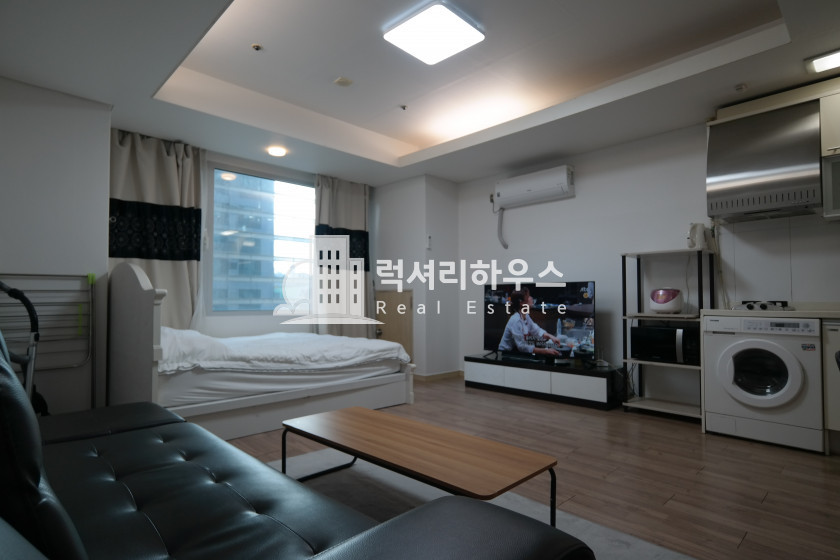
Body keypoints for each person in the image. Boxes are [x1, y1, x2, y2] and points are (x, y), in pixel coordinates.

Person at [498, 288, 570, 356]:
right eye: (528, 296)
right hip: (506, 354)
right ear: (521, 303)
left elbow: (537, 331)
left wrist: (551, 337)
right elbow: (522, 347)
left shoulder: (525, 316)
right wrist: (545, 351)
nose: (531, 298)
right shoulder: (516, 320)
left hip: (516, 353)